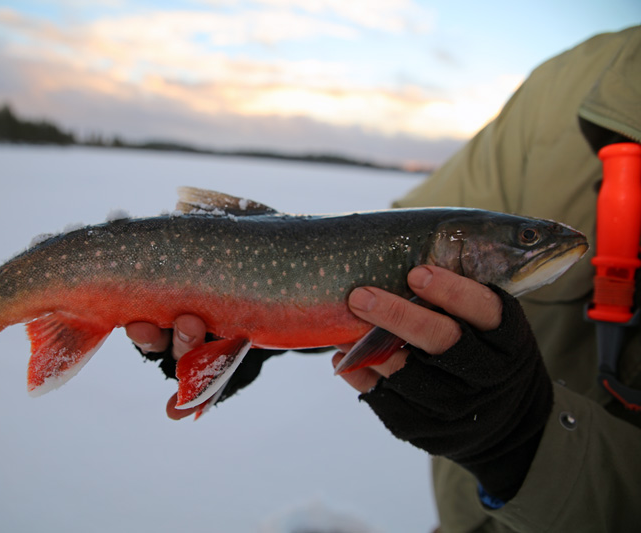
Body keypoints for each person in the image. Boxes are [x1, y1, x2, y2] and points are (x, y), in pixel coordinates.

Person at [126, 26, 641, 531]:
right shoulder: (574, 81)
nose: (540, 246)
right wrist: (273, 326)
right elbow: (376, 239)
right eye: (526, 239)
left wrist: (525, 439)